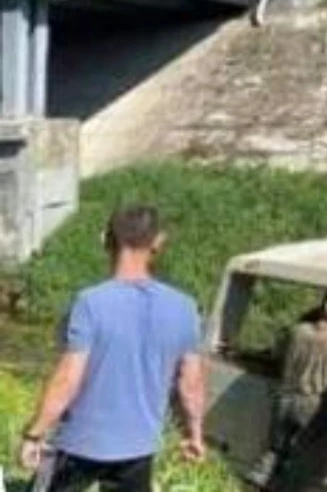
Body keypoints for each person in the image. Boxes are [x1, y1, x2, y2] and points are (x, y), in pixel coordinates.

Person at [19, 206, 205, 492]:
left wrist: (34, 434)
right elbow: (190, 385)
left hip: (80, 444)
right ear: (158, 242)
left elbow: (67, 380)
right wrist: (195, 434)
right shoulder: (185, 308)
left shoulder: (90, 303)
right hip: (139, 447)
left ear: (106, 239)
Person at [245, 298, 327, 489]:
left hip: (284, 397)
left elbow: (274, 355)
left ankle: (256, 483)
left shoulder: (297, 331)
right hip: (312, 403)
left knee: (275, 448)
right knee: (302, 454)